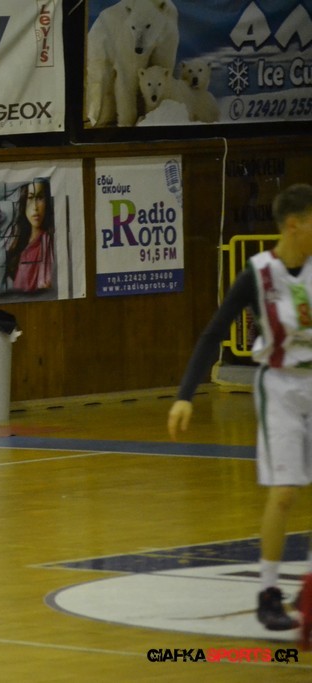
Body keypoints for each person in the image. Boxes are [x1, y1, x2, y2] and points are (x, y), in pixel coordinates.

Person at [168, 183, 312, 632]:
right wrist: (185, 395)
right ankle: (268, 593)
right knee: (284, 492)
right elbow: (213, 333)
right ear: (294, 225)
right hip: (282, 386)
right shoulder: (258, 274)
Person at [4, 178, 55, 293]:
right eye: (30, 198)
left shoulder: (48, 242)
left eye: (40, 197)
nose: (35, 207)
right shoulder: (19, 242)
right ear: (24, 201)